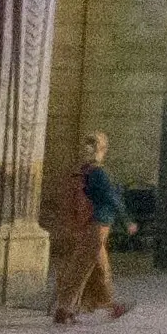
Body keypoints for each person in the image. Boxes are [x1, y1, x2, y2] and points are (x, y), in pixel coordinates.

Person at [52, 131, 132, 323]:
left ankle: (110, 304)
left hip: (86, 224)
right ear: (103, 149)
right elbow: (112, 199)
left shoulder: (79, 171)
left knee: (100, 267)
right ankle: (65, 308)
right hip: (98, 224)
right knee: (81, 266)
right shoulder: (98, 173)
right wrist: (127, 221)